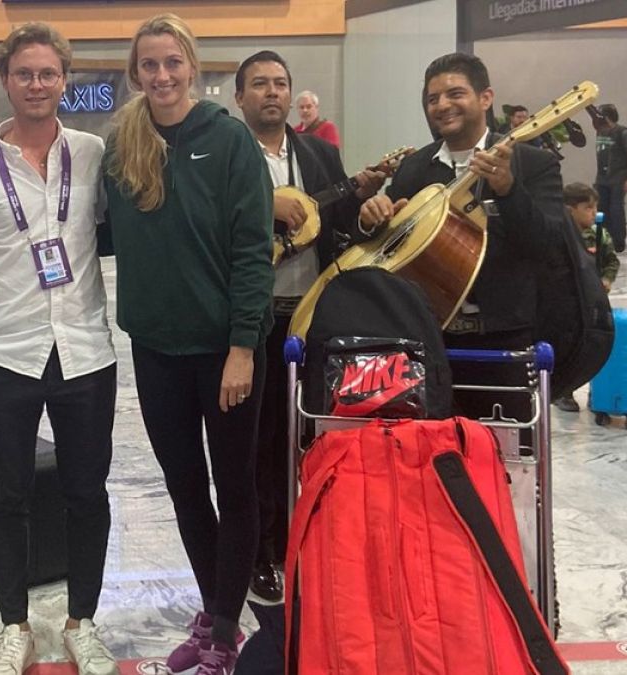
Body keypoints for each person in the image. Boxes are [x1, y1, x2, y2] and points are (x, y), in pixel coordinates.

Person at [0, 22, 119, 675]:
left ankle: (82, 621)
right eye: (24, 74)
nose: (36, 84)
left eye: (47, 73)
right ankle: (14, 626)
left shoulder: (95, 153)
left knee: (86, 492)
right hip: (5, 356)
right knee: (6, 497)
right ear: (5, 81)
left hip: (86, 352)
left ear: (64, 79)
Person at [102, 14, 273, 673]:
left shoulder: (229, 141)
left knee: (235, 486)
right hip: (156, 349)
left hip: (225, 349)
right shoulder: (124, 145)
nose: (162, 75)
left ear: (192, 65)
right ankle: (214, 606)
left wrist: (240, 347)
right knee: (182, 484)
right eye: (149, 65)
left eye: (172, 62)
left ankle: (226, 630)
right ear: (135, 73)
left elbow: (254, 252)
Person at [232, 50, 385, 603]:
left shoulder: (321, 153)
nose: (271, 92)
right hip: (250, 321)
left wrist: (365, 210)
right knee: (258, 441)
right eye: (259, 84)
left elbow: (342, 228)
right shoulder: (226, 156)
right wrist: (261, 206)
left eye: (279, 83)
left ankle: (311, 538)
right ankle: (262, 553)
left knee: (310, 436)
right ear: (240, 97)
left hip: (311, 314)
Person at [359, 53, 565, 432]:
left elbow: (549, 248)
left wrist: (508, 190)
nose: (442, 106)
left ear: (485, 97)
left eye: (455, 93)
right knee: (429, 456)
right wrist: (373, 217)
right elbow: (389, 249)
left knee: (507, 466)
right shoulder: (415, 168)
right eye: (433, 98)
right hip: (426, 342)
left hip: (502, 342)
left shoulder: (532, 163)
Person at [554, 182, 618, 413]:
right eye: (587, 207)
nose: (594, 212)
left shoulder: (598, 234)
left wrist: (607, 280)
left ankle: (597, 392)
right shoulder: (556, 236)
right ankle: (564, 392)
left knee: (594, 344)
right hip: (568, 304)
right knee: (567, 346)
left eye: (595, 207)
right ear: (570, 210)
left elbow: (611, 261)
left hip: (593, 303)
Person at [593, 103, 627, 253]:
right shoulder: (600, 132)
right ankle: (603, 239)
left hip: (618, 178)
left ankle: (619, 242)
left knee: (616, 209)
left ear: (606, 117)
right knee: (600, 210)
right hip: (602, 178)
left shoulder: (622, 132)